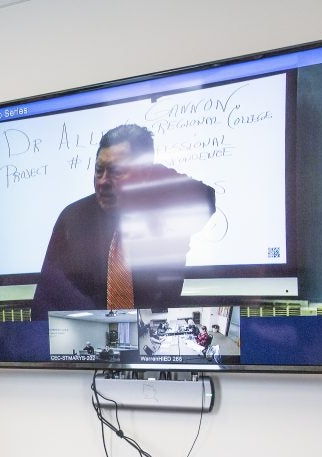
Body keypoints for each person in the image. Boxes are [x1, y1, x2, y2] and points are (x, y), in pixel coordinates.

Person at [31, 124, 215, 318]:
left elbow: (207, 199)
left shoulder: (170, 212)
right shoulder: (73, 218)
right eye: (99, 170)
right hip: (86, 334)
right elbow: (46, 297)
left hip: (155, 333)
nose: (102, 181)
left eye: (116, 171)